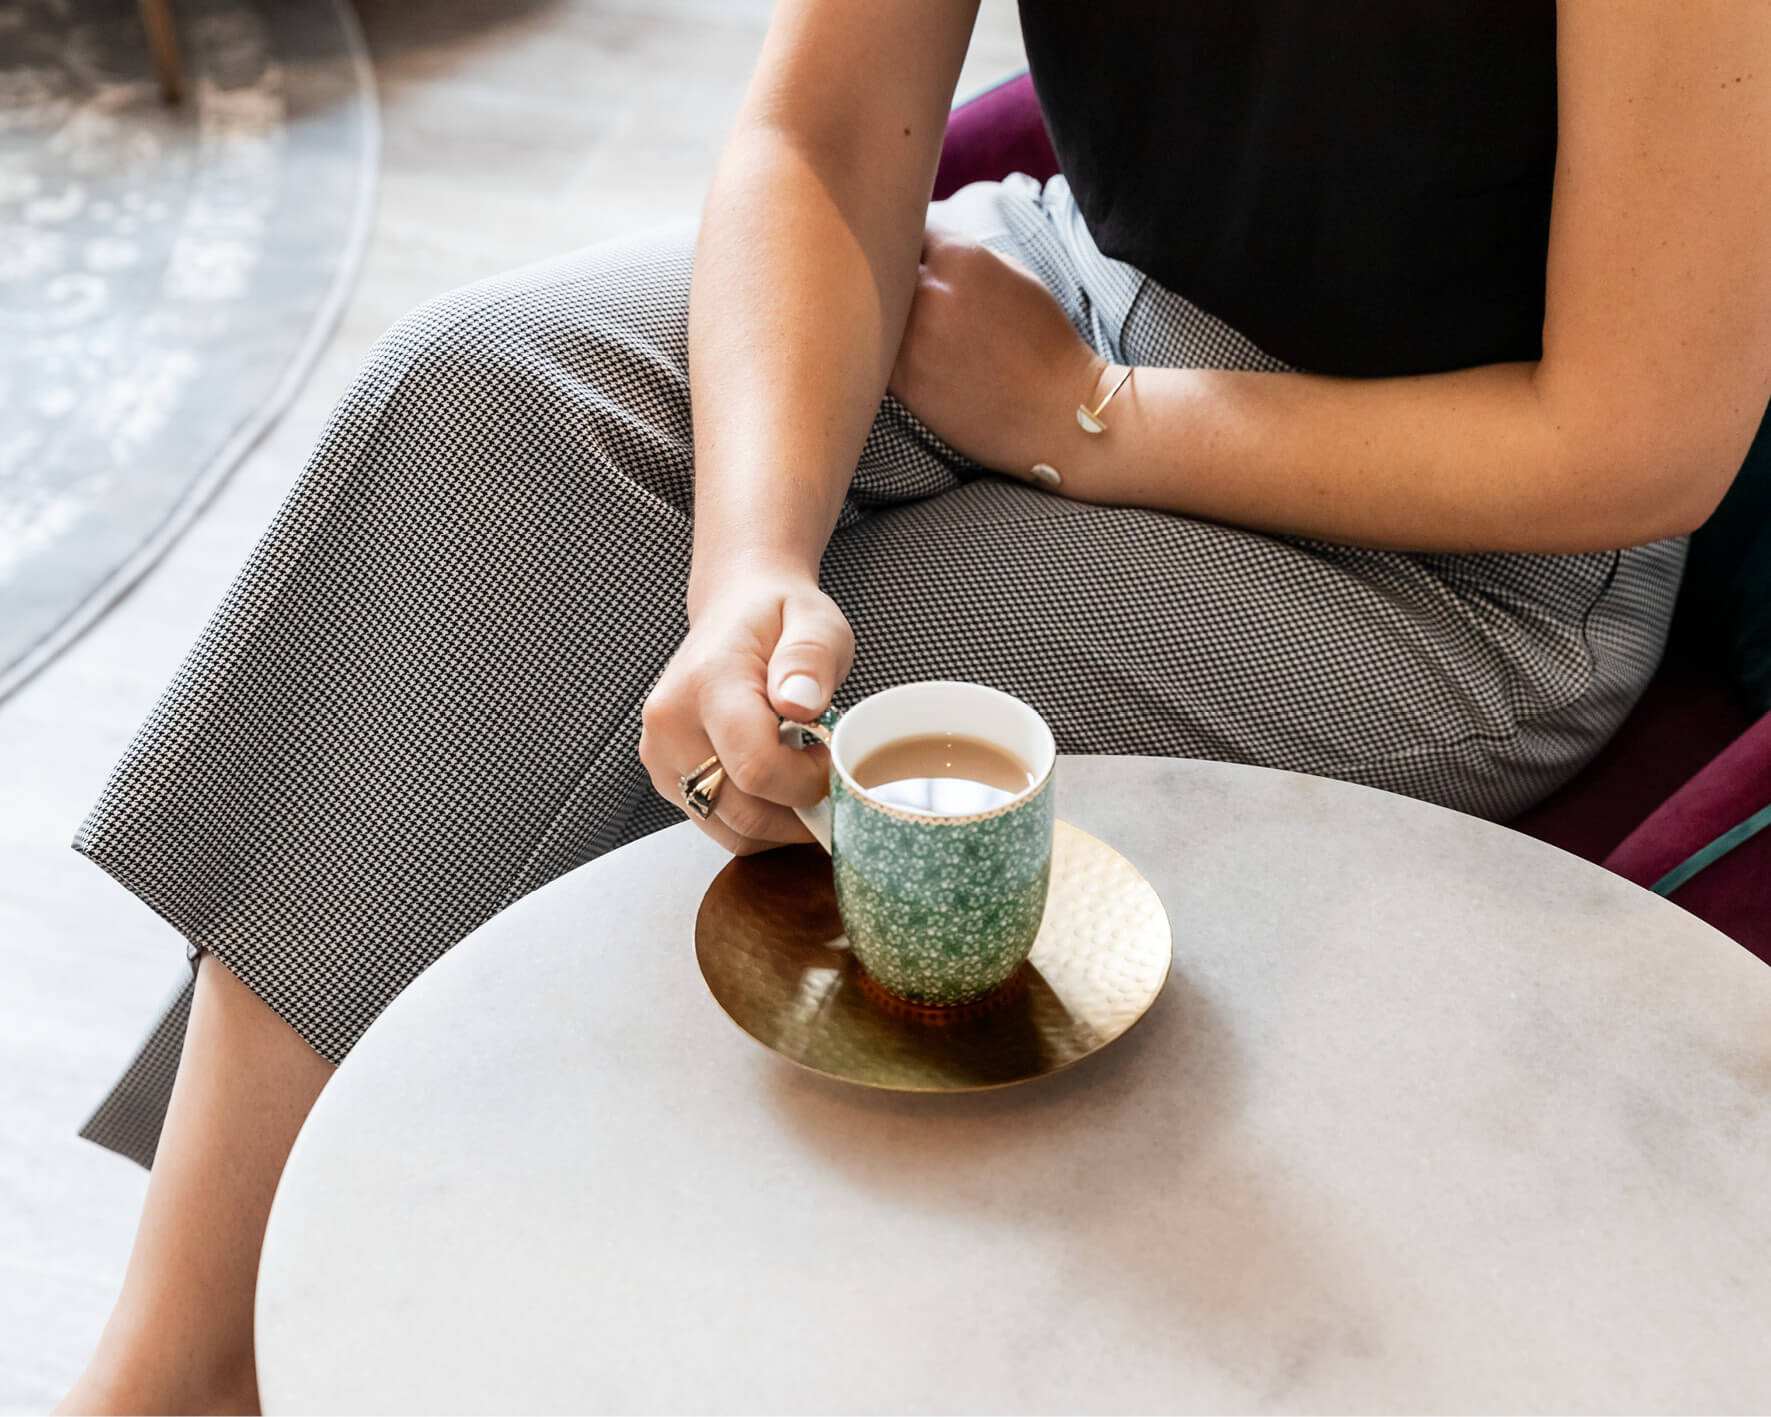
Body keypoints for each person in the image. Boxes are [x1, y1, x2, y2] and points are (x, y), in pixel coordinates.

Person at [57, 1, 1771, 1411]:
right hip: (1072, 284)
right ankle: (183, 1369)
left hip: (1456, 547)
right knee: (482, 413)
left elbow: (1639, 435)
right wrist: (748, 563)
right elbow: (820, 133)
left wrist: (1089, 418)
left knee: (876, 713)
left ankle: (415, 1331)